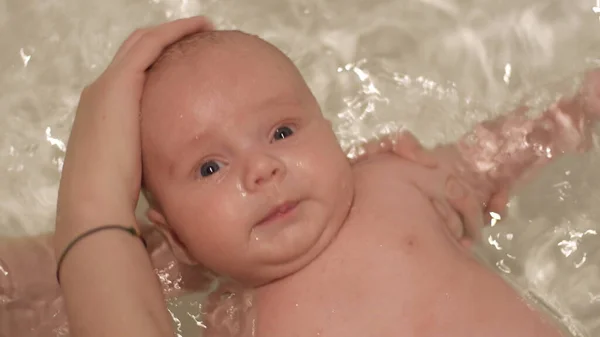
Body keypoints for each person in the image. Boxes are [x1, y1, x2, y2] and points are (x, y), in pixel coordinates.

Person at [4, 15, 600, 336]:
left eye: (282, 132)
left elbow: (508, 148)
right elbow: (56, 296)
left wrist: (581, 107)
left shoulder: (397, 175)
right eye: (210, 167)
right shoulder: (225, 310)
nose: (262, 169)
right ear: (176, 234)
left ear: (335, 135)